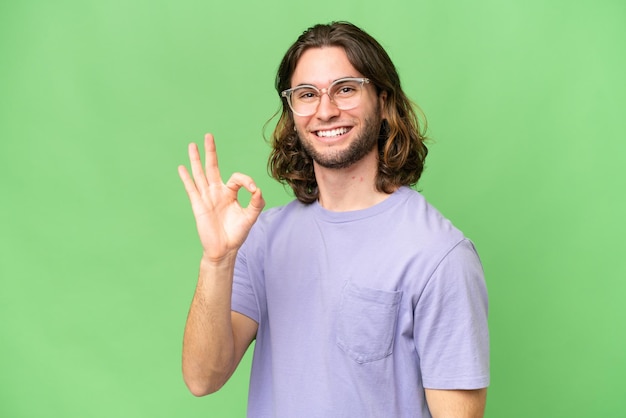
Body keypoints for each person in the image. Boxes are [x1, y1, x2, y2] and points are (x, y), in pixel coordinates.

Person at [178, 21, 489, 418]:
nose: (326, 111)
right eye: (307, 94)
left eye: (345, 88)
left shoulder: (439, 254)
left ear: (382, 99)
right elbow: (203, 378)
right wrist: (217, 261)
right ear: (292, 113)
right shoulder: (264, 239)